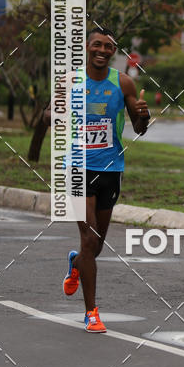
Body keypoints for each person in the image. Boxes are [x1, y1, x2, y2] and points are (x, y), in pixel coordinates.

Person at [45, 28, 150, 332]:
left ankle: (77, 263)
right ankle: (92, 312)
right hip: (77, 168)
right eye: (97, 45)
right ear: (87, 48)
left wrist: (144, 114)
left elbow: (139, 128)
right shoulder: (69, 81)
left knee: (97, 246)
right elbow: (49, 115)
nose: (103, 50)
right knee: (89, 238)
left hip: (111, 169)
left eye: (109, 46)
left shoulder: (123, 82)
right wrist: (54, 116)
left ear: (113, 51)